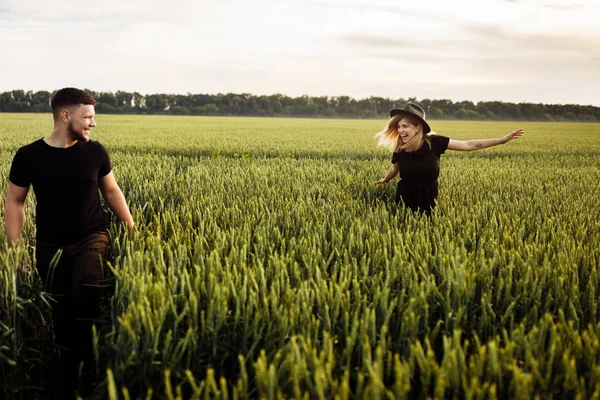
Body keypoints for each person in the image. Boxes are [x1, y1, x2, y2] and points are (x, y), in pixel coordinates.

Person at [4, 87, 134, 398]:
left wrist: (131, 227)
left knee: (86, 295)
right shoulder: (28, 155)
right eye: (87, 116)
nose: (93, 123)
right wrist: (15, 249)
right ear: (66, 116)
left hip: (92, 237)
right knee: (61, 312)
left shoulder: (95, 152)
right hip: (51, 246)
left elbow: (111, 191)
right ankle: (68, 373)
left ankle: (86, 369)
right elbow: (15, 202)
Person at [375, 102, 523, 214]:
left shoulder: (435, 142)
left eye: (405, 126)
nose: (400, 131)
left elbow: (467, 145)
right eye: (398, 127)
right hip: (405, 195)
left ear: (417, 127)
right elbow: (395, 167)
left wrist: (501, 140)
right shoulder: (400, 148)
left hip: (428, 195)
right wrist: (385, 180)